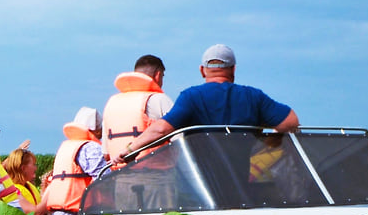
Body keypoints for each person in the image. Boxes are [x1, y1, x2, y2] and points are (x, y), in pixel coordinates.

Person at [110, 44, 299, 165]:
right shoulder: (253, 96)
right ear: (233, 69)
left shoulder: (191, 97)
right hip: (245, 181)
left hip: (203, 183)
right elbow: (291, 122)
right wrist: (264, 140)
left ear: (202, 70)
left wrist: (130, 150)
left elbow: (160, 130)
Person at [40, 106, 110, 215]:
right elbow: (104, 179)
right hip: (78, 214)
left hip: (58, 213)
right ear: (97, 130)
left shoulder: (65, 147)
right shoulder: (91, 147)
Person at [101, 54, 173, 160]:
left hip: (120, 174)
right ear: (158, 75)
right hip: (156, 172)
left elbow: (106, 154)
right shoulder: (159, 99)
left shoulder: (111, 104)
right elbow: (180, 137)